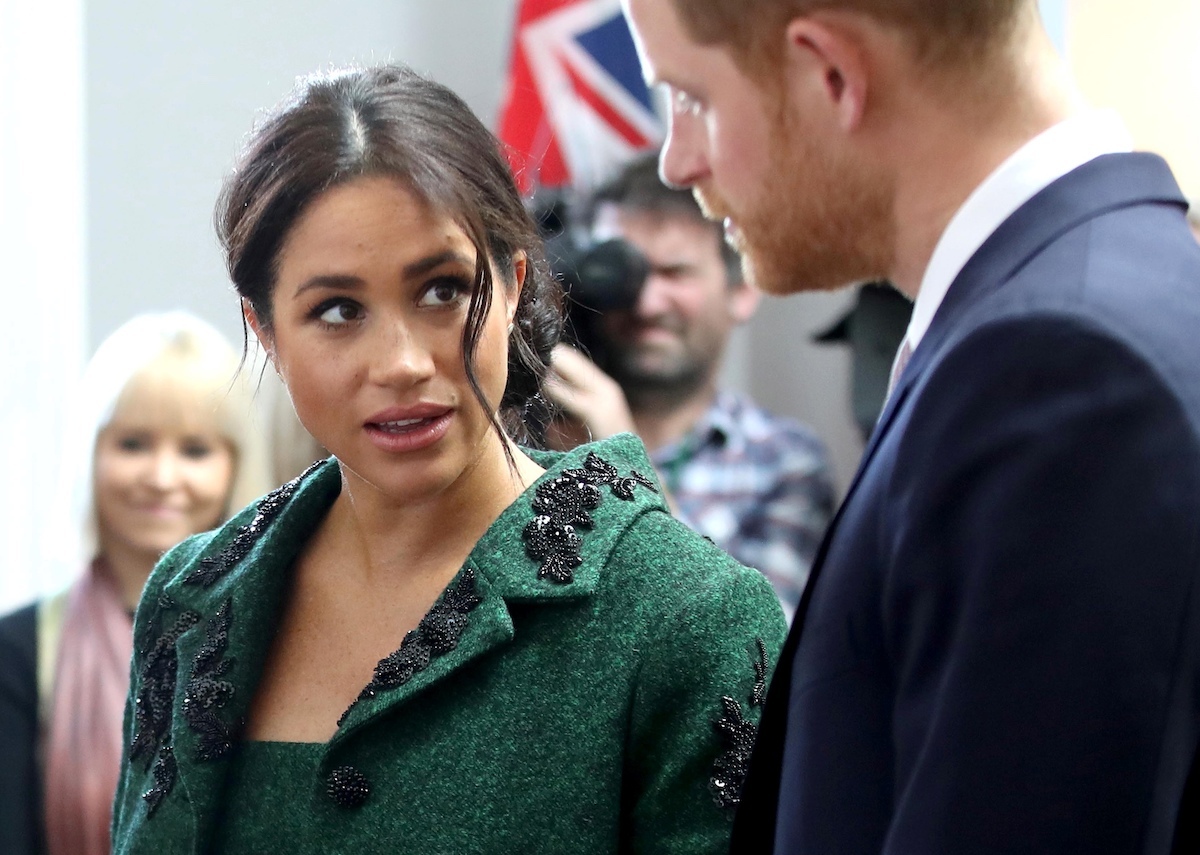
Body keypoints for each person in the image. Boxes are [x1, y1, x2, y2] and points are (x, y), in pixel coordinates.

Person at [109, 65, 786, 855]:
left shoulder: (687, 617)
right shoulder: (193, 596)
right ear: (265, 331)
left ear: (514, 283)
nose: (399, 361)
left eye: (440, 291)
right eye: (337, 310)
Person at [620, 0, 1200, 852]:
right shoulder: (1070, 307)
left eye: (691, 97)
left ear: (832, 74)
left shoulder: (1061, 367)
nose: (678, 160)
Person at [0, 311, 271, 855]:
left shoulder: (284, 636)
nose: (162, 477)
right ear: (90, 455)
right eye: (133, 444)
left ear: (236, 466)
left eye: (195, 450)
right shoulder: (20, 651)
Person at [544, 153, 834, 617]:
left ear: (741, 292)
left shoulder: (781, 461)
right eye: (625, 269)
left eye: (674, 273)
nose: (646, 301)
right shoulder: (530, 429)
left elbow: (764, 655)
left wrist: (624, 463)